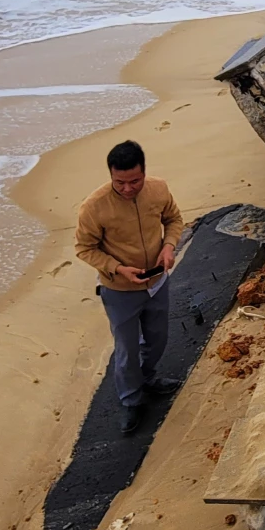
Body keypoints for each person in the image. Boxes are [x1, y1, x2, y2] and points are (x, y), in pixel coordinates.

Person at [74, 139, 184, 433]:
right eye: (119, 182)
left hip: (157, 281)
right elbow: (84, 249)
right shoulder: (94, 207)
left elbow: (173, 219)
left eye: (134, 181)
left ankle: (147, 378)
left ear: (144, 172)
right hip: (119, 291)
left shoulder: (159, 189)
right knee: (126, 350)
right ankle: (131, 400)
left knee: (158, 339)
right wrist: (118, 269)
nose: (127, 189)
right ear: (111, 175)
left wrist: (169, 246)